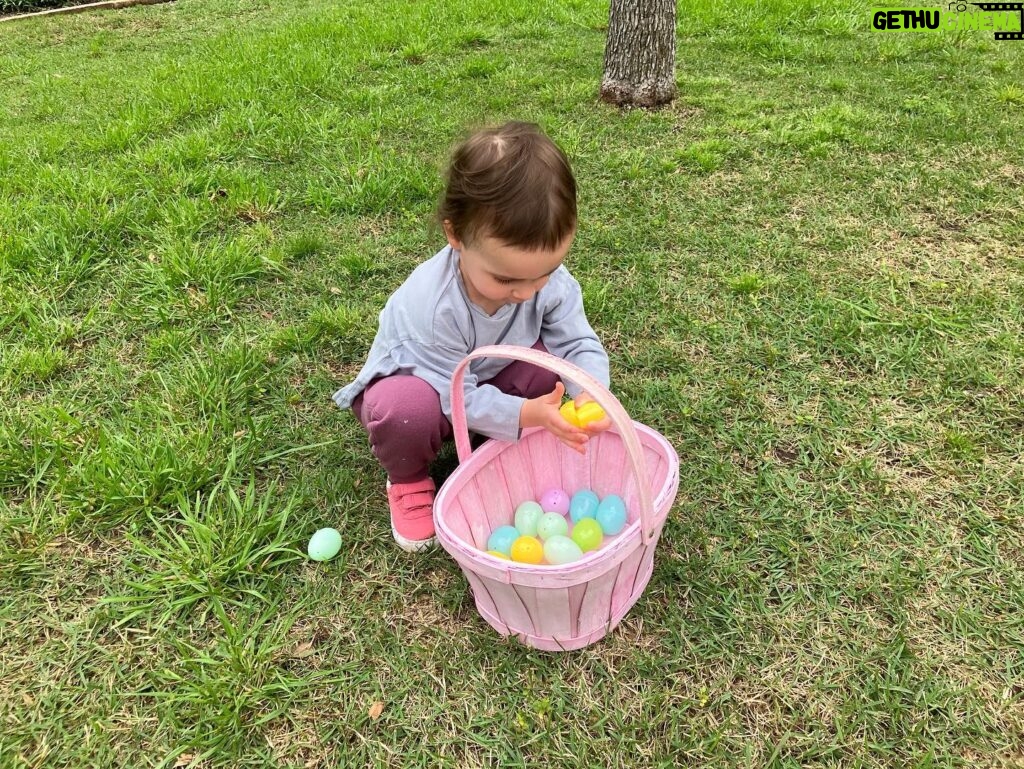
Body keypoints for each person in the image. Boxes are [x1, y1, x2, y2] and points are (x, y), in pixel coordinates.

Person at [332, 121, 612, 552]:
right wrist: (526, 414)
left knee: (549, 369)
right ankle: (408, 480)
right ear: (455, 236)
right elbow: (456, 394)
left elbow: (576, 345)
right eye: (506, 278)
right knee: (404, 412)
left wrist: (591, 392)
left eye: (545, 273)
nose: (525, 292)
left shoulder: (544, 283)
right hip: (430, 386)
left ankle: (492, 438)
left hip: (488, 372)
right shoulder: (434, 306)